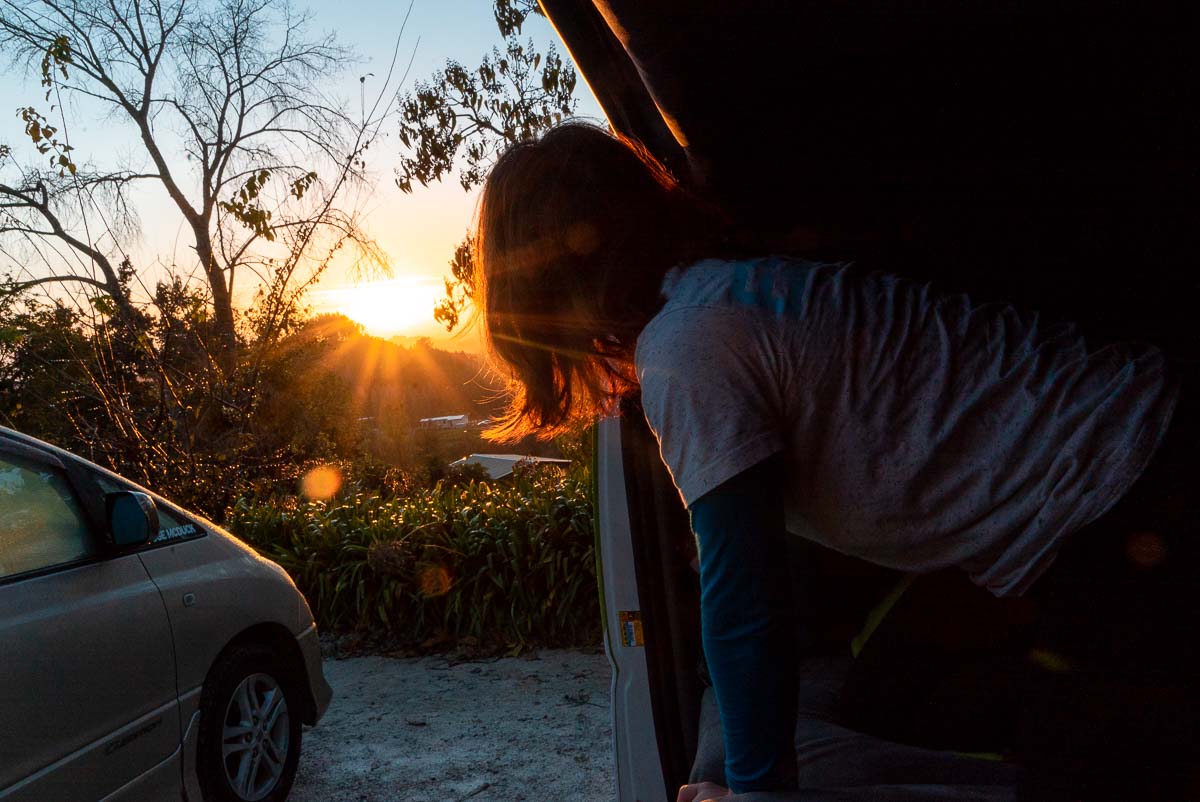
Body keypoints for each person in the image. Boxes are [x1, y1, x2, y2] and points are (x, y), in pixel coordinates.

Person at [471, 121, 1194, 800]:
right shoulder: (737, 292)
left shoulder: (686, 346)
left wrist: (753, 790)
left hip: (1134, 492)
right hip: (1136, 471)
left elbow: (746, 598)